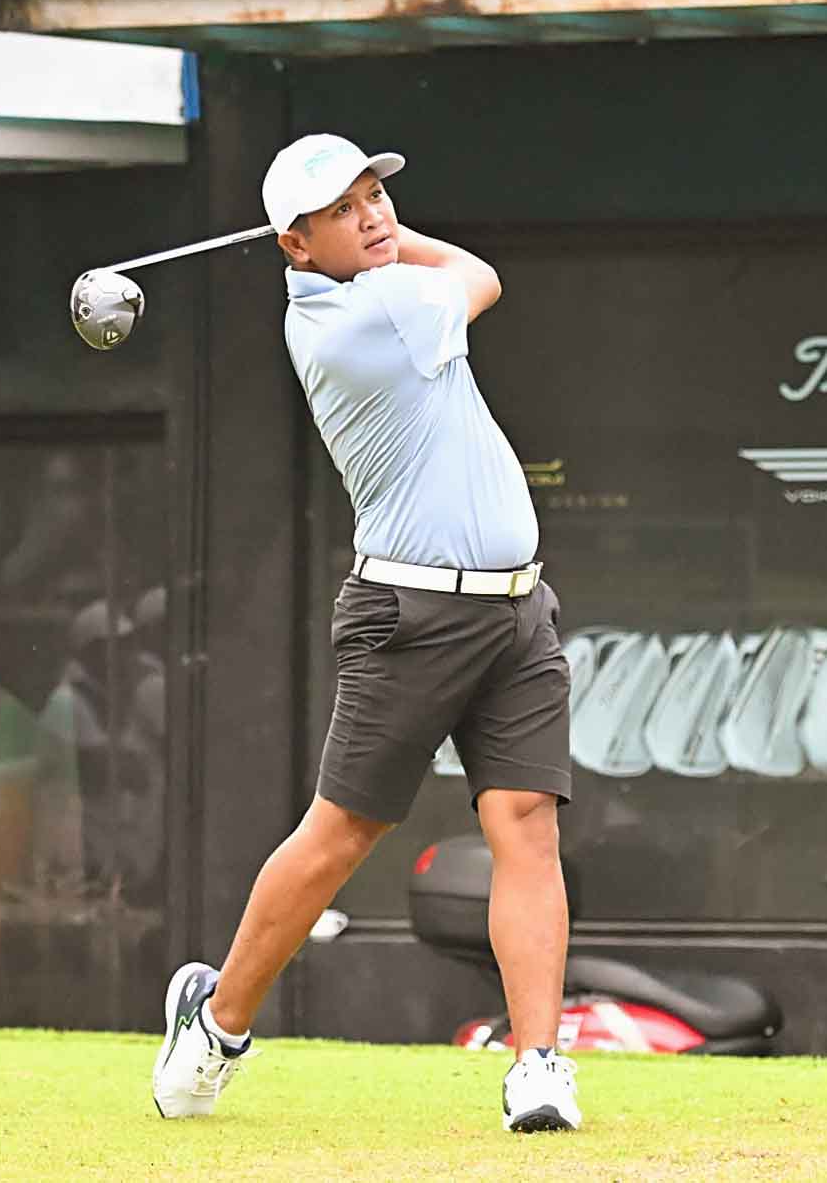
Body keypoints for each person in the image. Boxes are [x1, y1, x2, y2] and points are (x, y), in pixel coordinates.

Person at [151, 134, 579, 1131]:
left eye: (374, 195)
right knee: (342, 832)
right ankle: (216, 1025)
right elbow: (480, 274)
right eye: (342, 211)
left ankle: (537, 1066)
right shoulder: (366, 316)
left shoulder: (373, 286)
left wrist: (374, 235)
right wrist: (396, 245)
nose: (373, 215)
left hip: (516, 608)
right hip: (411, 616)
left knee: (526, 825)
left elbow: (458, 272)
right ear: (294, 247)